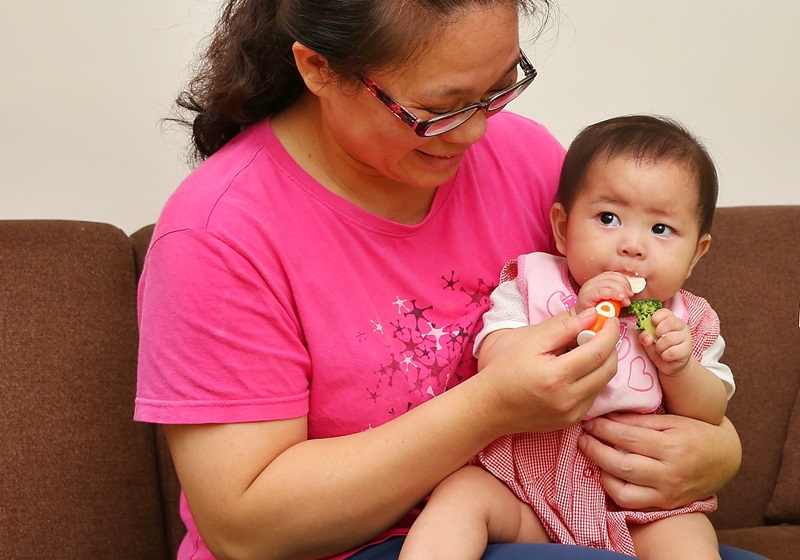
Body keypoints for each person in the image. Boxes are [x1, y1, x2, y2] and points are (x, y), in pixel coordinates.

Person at [134, 2, 757, 559]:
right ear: (319, 68)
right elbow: (247, 532)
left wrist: (716, 453)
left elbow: (640, 352)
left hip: (548, 516)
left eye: (500, 88)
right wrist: (490, 406)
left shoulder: (526, 160)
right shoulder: (218, 235)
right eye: (437, 109)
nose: (476, 131)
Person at [399, 115, 735, 560]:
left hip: (637, 509)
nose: (632, 246)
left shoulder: (690, 320)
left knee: (690, 536)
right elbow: (494, 361)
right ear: (562, 227)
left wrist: (680, 367)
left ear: (696, 254)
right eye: (608, 217)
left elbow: (710, 411)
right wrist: (576, 318)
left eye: (661, 229)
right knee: (461, 494)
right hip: (524, 490)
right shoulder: (530, 284)